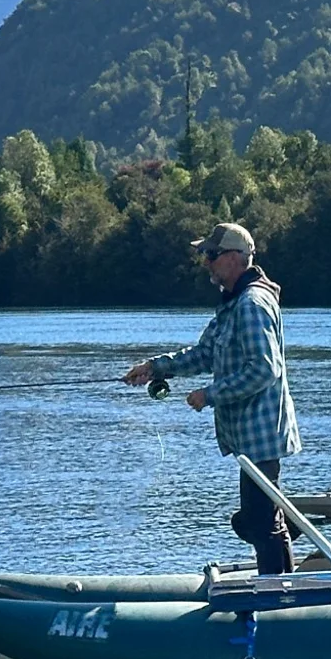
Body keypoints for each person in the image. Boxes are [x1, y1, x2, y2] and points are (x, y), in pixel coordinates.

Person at [121, 222, 302, 576]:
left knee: (259, 523)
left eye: (212, 255)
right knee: (262, 520)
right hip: (249, 438)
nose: (206, 262)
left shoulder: (252, 305)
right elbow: (204, 354)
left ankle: (278, 596)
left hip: (262, 434)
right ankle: (284, 583)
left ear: (235, 258)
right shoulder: (232, 306)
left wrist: (210, 394)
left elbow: (265, 369)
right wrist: (155, 368)